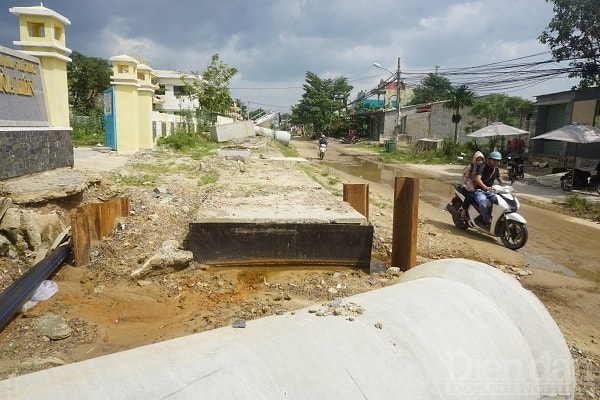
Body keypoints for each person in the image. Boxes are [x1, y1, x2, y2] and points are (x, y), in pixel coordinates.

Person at [473, 151, 506, 228]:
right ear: (489, 159)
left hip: (490, 191)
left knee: (502, 202)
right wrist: (485, 187)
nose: (496, 162)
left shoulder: (496, 170)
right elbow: (478, 179)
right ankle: (487, 220)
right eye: (494, 160)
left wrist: (509, 187)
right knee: (483, 204)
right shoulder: (483, 167)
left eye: (498, 161)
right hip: (480, 191)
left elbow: (501, 181)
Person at [461, 151, 485, 219]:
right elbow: (465, 177)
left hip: (477, 184)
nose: (480, 161)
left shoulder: (482, 168)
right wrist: (465, 185)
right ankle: (464, 210)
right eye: (478, 159)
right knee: (470, 196)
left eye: (481, 159)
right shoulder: (470, 167)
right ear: (475, 159)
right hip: (468, 184)